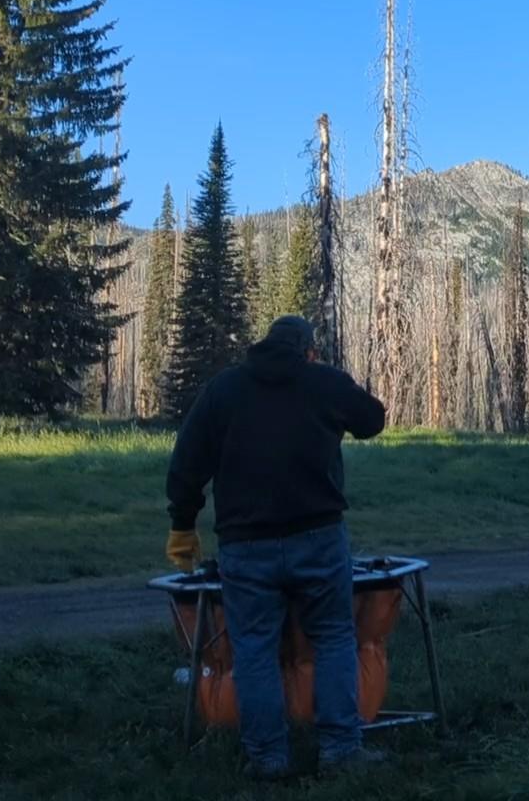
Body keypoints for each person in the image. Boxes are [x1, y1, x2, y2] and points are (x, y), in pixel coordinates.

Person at [164, 315, 388, 780]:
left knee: (253, 649)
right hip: (318, 539)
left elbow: (186, 465)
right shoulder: (323, 382)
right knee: (332, 638)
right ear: (309, 351)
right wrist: (334, 385)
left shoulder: (224, 390)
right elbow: (373, 419)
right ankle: (340, 751)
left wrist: (182, 526)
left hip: (246, 546)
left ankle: (267, 757)